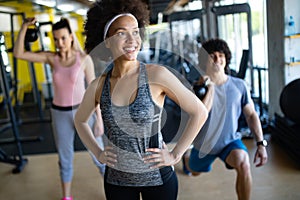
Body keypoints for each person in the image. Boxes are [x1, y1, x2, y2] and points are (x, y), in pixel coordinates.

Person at [74, 0, 208, 199]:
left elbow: (200, 111)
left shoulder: (157, 76)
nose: (132, 40)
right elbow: (80, 120)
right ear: (107, 41)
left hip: (158, 181)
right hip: (117, 181)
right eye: (121, 33)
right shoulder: (98, 86)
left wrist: (175, 154)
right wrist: (98, 152)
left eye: (135, 31)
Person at [13, 17, 105, 200]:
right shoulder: (51, 58)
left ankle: (113, 193)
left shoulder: (84, 59)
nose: (59, 43)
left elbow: (94, 91)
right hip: (59, 114)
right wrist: (24, 27)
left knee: (100, 157)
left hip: (84, 114)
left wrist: (99, 120)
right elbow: (18, 54)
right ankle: (67, 197)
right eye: (55, 39)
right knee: (65, 160)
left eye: (63, 38)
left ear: (71, 37)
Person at [182, 38, 268, 200]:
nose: (217, 59)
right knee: (195, 171)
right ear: (204, 60)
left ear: (226, 59)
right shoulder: (196, 88)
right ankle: (187, 158)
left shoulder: (239, 85)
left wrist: (260, 143)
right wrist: (210, 87)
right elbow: (202, 112)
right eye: (212, 55)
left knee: (243, 162)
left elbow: (251, 115)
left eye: (221, 55)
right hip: (204, 145)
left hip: (229, 142)